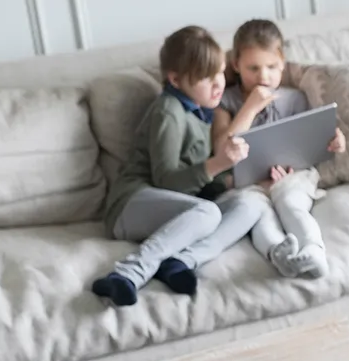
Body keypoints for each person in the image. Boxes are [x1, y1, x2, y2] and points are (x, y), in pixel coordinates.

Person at [91, 25, 269, 307]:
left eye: (221, 73)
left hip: (182, 206)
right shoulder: (168, 112)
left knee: (253, 204)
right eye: (205, 78)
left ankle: (181, 261)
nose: (218, 84)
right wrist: (217, 163)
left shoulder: (204, 110)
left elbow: (197, 182)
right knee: (208, 212)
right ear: (175, 79)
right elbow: (167, 181)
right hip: (130, 204)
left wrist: (236, 179)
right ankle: (127, 273)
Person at [211, 19, 344, 280]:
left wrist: (335, 141)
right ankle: (280, 256)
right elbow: (220, 148)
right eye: (253, 68)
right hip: (249, 185)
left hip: (291, 178)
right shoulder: (225, 101)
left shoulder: (295, 98)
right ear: (236, 66)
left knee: (289, 201)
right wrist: (250, 107)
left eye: (271, 67)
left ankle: (314, 251)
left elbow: (310, 144)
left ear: (282, 62)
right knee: (258, 215)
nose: (263, 76)